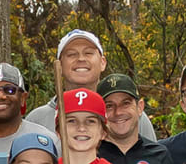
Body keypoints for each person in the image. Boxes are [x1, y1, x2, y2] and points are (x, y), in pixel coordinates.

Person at [27, 30, 158, 139]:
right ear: (59, 66)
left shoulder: (129, 116)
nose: (81, 59)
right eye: (71, 54)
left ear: (102, 62)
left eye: (88, 53)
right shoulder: (37, 120)